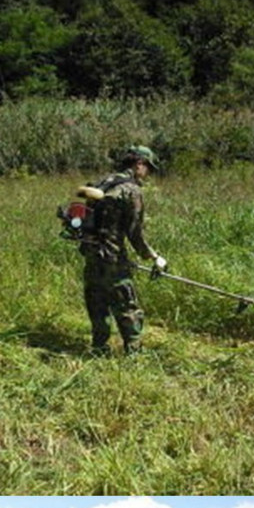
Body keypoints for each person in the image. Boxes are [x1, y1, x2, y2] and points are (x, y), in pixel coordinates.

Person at [78, 144, 167, 355]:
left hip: (91, 253)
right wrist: (154, 257)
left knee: (97, 303)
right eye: (148, 169)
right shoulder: (131, 190)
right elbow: (135, 234)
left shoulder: (104, 183)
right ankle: (134, 353)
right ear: (139, 164)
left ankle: (99, 348)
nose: (148, 174)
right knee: (126, 304)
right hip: (113, 257)